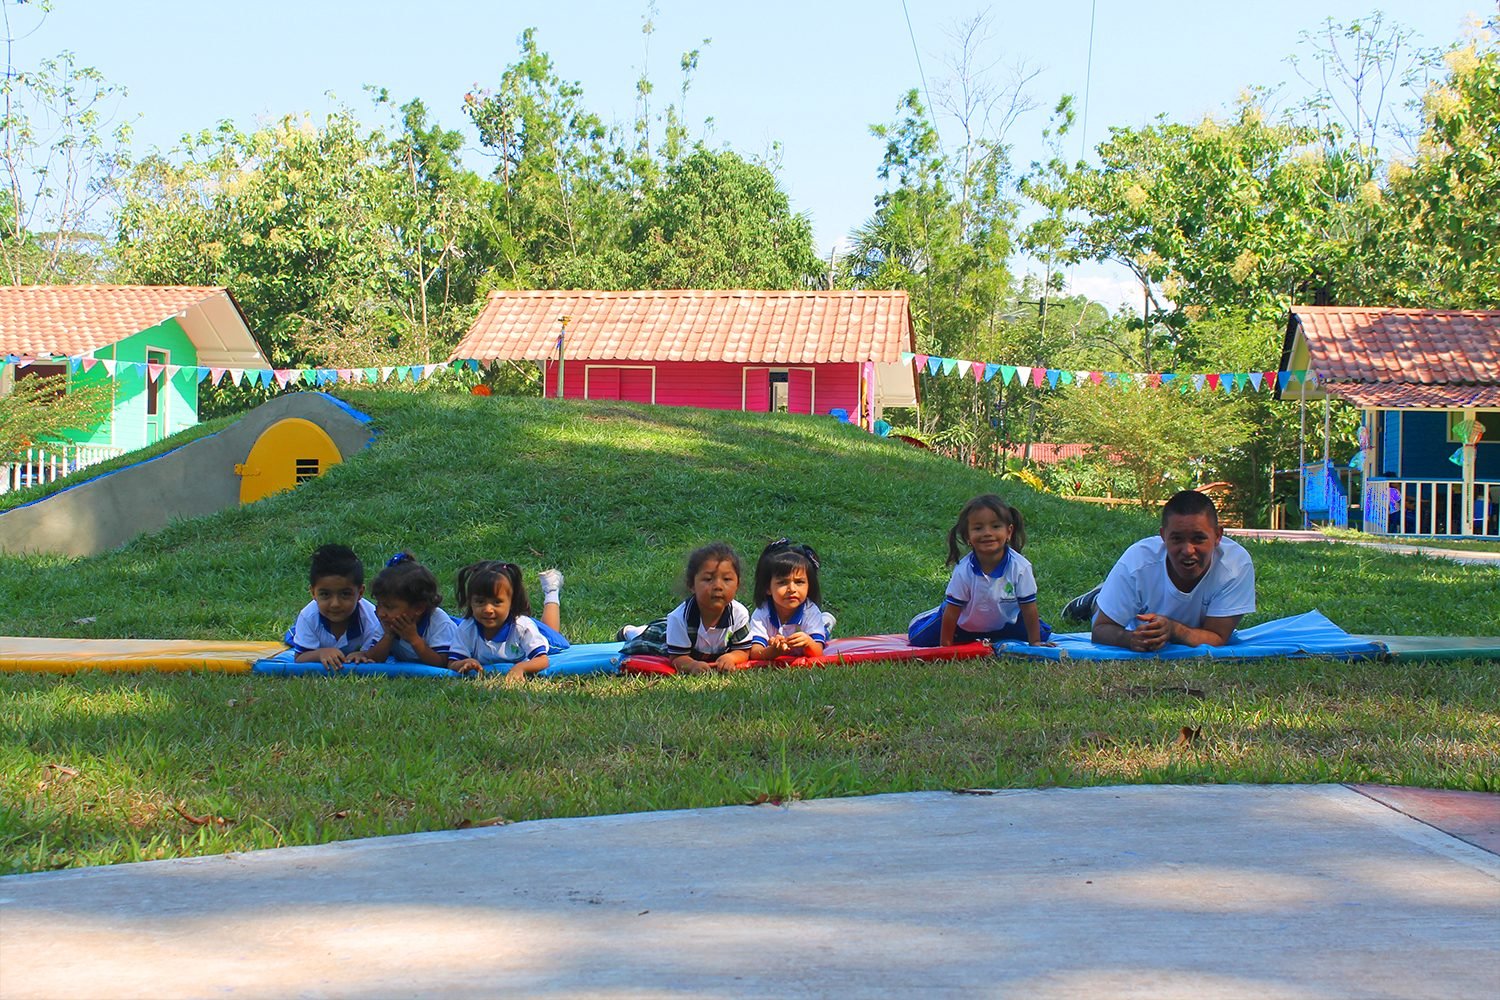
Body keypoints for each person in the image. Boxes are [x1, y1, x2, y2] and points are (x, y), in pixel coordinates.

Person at [1064, 489, 1255, 652]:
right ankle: (1096, 600)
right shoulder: (1137, 563)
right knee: (1110, 608)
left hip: (1186, 625)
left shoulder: (1235, 566)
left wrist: (1174, 630)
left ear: (1217, 536)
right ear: (1163, 536)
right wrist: (1129, 639)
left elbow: (1217, 637)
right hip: (1131, 596)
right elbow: (1100, 630)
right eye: (1177, 539)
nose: (1188, 551)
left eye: (1198, 539)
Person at [908, 494, 1051, 647]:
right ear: (968, 536)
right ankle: (936, 613)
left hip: (1005, 624)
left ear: (1009, 532)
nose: (987, 533)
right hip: (964, 625)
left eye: (996, 526)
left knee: (1042, 636)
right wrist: (946, 646)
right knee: (918, 638)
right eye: (978, 528)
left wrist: (1035, 642)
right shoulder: (964, 570)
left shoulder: (1021, 567)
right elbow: (953, 611)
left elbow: (1029, 607)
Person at [448, 560, 551, 684]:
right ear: (470, 602)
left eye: (497, 602)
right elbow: (452, 663)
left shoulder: (523, 627)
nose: (488, 609)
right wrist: (465, 663)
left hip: (540, 636)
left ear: (512, 602)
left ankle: (551, 591)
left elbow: (543, 659)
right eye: (480, 602)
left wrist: (521, 667)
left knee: (552, 631)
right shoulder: (467, 628)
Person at [286, 543, 383, 668]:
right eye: (325, 594)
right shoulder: (308, 616)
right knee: (292, 638)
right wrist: (321, 653)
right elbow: (299, 658)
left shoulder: (371, 618)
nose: (335, 604)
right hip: (305, 631)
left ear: (360, 593)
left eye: (345, 594)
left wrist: (364, 654)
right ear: (313, 593)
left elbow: (375, 654)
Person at [665, 542, 754, 674]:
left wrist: (731, 657)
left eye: (727, 579)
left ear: (738, 584)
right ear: (692, 585)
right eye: (708, 579)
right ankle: (630, 631)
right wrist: (692, 665)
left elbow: (743, 650)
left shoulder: (739, 614)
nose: (718, 586)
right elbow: (676, 657)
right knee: (647, 639)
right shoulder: (679, 619)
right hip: (667, 634)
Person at [360, 553, 458, 667]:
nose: (381, 613)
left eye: (389, 607)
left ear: (419, 608)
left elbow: (441, 662)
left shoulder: (438, 623)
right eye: (379, 604)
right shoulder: (388, 621)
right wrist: (388, 636)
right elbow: (375, 659)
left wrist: (414, 639)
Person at [748, 538, 835, 660]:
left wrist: (808, 643)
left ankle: (825, 623)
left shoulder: (809, 611)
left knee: (823, 634)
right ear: (767, 587)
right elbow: (755, 653)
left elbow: (818, 653)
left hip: (812, 626)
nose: (792, 589)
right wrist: (774, 651)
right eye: (782, 582)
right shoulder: (762, 613)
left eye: (799, 582)